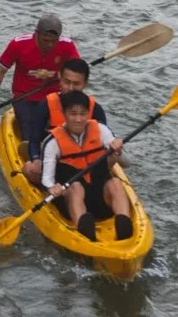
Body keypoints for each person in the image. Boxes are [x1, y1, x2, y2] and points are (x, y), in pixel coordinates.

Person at [0, 13, 82, 157]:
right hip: (25, 97)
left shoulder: (67, 45)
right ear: (36, 34)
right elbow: (0, 71)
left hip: (55, 97)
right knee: (31, 133)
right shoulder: (18, 44)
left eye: (53, 41)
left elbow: (78, 73)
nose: (50, 45)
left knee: (62, 130)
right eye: (45, 40)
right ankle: (33, 155)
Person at [43, 90, 133, 242]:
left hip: (99, 196)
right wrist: (52, 187)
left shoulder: (101, 130)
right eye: (73, 114)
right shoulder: (52, 142)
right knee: (76, 187)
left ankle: (124, 226)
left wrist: (118, 151)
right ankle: (85, 231)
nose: (78, 119)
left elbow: (127, 163)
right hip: (71, 200)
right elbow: (46, 178)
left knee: (115, 183)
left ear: (88, 113)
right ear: (64, 114)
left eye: (83, 113)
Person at [21, 57, 109, 186]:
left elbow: (103, 144)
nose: (71, 88)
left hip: (84, 165)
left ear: (85, 84)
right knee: (30, 169)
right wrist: (36, 159)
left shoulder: (96, 110)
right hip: (54, 163)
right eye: (67, 82)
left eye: (76, 84)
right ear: (59, 78)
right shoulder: (46, 105)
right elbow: (34, 140)